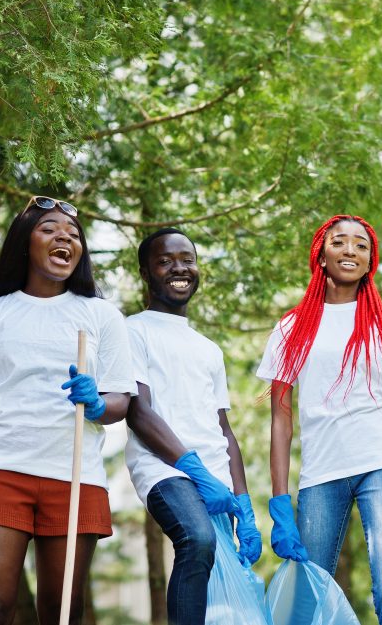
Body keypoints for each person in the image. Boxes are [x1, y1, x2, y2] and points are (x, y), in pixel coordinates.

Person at [0, 196, 135, 622]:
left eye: (74, 234)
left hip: (75, 477)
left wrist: (98, 404)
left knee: (62, 611)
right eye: (49, 229)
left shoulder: (101, 316)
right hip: (0, 471)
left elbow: (122, 400)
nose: (64, 237)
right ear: (25, 243)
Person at [258, 214, 382, 625]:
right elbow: (281, 421)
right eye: (340, 242)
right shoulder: (291, 329)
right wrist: (279, 501)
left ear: (370, 260)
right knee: (307, 600)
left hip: (381, 464)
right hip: (321, 473)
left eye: (361, 245)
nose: (350, 251)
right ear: (321, 255)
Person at [124, 227, 262, 625]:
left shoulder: (209, 349)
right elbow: (138, 412)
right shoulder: (133, 331)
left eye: (187, 259)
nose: (179, 268)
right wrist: (196, 472)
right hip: (164, 470)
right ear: (145, 272)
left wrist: (245, 505)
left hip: (217, 480)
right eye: (165, 261)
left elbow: (224, 430)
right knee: (198, 540)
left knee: (220, 572)